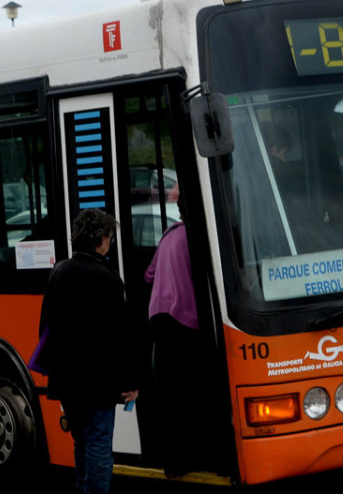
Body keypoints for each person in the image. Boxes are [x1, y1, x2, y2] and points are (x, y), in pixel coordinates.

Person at [38, 209, 138, 494]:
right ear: (102, 239)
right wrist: (131, 383)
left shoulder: (59, 272)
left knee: (81, 442)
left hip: (67, 381)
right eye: (110, 237)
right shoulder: (108, 279)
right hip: (98, 383)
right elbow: (121, 338)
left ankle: (83, 490)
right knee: (98, 445)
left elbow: (45, 329)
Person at [143, 205, 214, 477]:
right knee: (192, 394)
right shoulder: (197, 237)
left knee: (171, 395)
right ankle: (198, 456)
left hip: (159, 321)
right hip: (187, 321)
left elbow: (148, 275)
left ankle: (174, 462)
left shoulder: (168, 235)